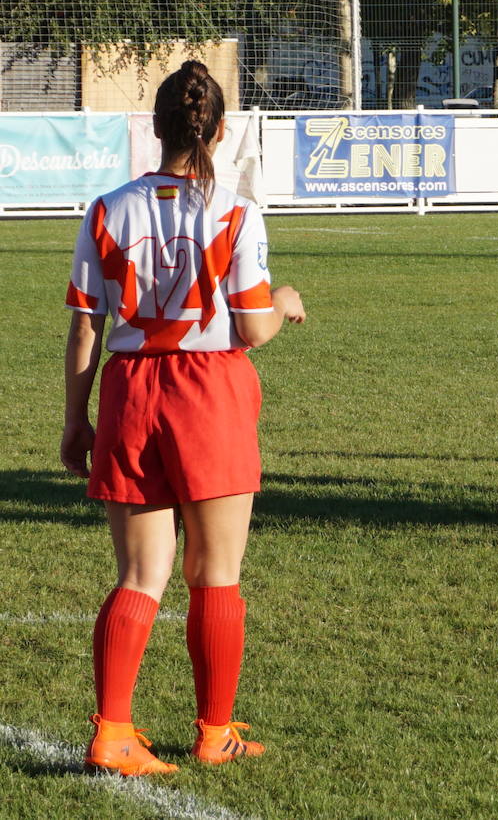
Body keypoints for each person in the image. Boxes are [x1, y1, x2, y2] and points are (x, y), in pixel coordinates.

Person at [61, 61, 306, 776]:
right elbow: (255, 328)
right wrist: (285, 299)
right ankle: (214, 731)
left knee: (142, 573)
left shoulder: (107, 208)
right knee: (216, 571)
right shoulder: (234, 211)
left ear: (155, 130)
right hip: (209, 390)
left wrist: (77, 421)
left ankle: (112, 734)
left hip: (131, 389)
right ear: (220, 131)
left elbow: (84, 328)